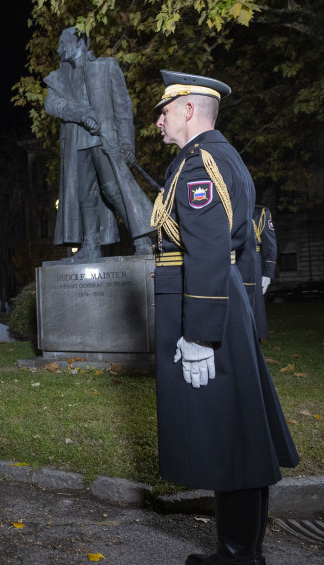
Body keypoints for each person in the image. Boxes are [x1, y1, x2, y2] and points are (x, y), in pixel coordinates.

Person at [151, 70, 299, 565]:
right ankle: (242, 552)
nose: (159, 121)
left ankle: (236, 555)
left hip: (207, 310)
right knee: (239, 435)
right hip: (225, 306)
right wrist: (247, 316)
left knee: (229, 439)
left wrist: (200, 337)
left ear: (188, 110)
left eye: (165, 110)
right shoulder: (220, 158)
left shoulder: (199, 165)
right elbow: (245, 252)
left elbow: (210, 252)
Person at [43, 27, 154, 262]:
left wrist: (127, 145)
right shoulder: (59, 77)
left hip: (104, 140)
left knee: (114, 190)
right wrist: (81, 113)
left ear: (79, 42)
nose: (59, 48)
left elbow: (123, 109)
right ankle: (91, 246)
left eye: (63, 42)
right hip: (77, 144)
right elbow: (52, 105)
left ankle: (142, 240)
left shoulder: (106, 66)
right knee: (85, 195)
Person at [251, 205, 277, 338]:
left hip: (253, 265)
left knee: (254, 313)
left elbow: (270, 245)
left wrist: (267, 273)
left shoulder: (259, 213)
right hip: (228, 263)